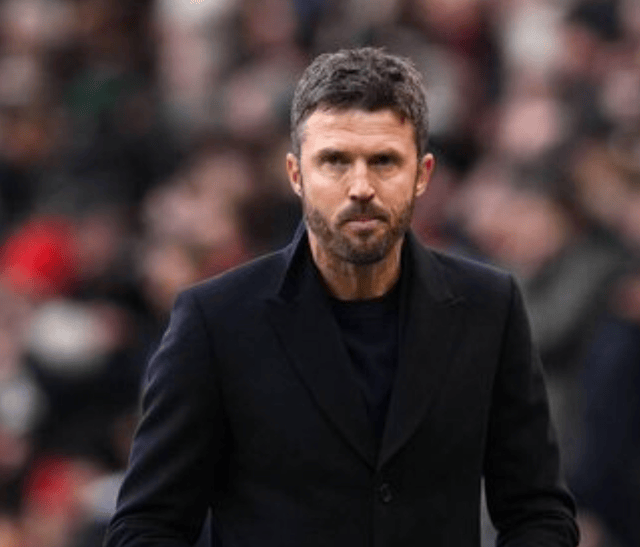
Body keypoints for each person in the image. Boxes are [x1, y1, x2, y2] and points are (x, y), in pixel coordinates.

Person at [104, 48, 579, 547]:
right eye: (334, 161)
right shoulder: (216, 320)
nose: (361, 187)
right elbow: (145, 526)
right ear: (295, 174)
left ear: (423, 174)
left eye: (384, 161)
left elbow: (538, 512)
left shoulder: (489, 307)